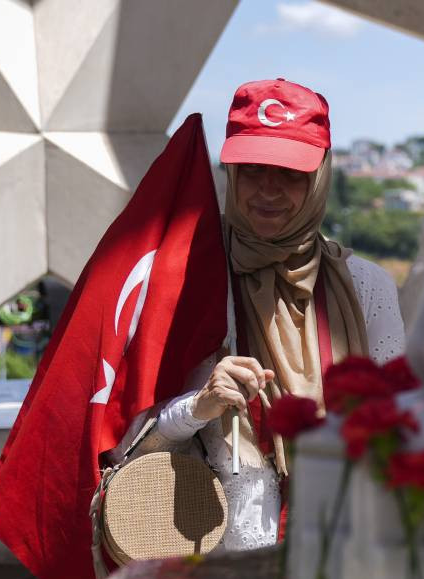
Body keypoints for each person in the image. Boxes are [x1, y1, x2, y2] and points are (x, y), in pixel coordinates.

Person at [126, 78, 405, 552]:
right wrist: (201, 405)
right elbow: (134, 440)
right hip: (214, 573)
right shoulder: (189, 279)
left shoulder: (367, 287)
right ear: (229, 173)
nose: (269, 190)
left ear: (318, 178)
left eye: (291, 174)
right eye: (252, 169)